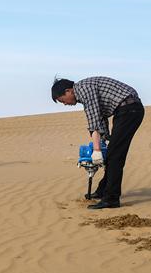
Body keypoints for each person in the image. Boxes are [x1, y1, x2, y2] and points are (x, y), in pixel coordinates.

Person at [52, 76, 144, 209]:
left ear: (68, 91)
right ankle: (103, 190)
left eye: (62, 100)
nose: (64, 104)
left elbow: (94, 121)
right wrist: (102, 143)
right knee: (112, 154)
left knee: (115, 156)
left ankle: (111, 199)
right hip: (126, 110)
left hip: (129, 109)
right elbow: (100, 119)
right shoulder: (85, 90)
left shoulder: (83, 89)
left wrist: (96, 150)